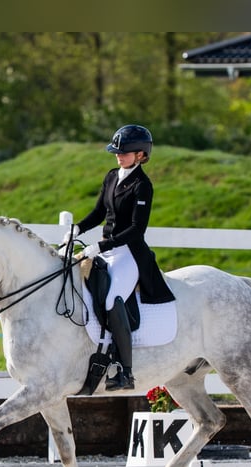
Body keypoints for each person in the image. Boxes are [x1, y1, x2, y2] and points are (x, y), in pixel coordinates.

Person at [64, 124, 175, 391]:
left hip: (129, 254)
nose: (118, 156)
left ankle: (125, 371)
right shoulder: (112, 176)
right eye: (117, 151)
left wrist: (101, 246)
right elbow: (99, 211)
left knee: (113, 299)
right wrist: (78, 228)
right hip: (107, 249)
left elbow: (137, 230)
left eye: (124, 152)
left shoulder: (142, 186)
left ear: (141, 155)